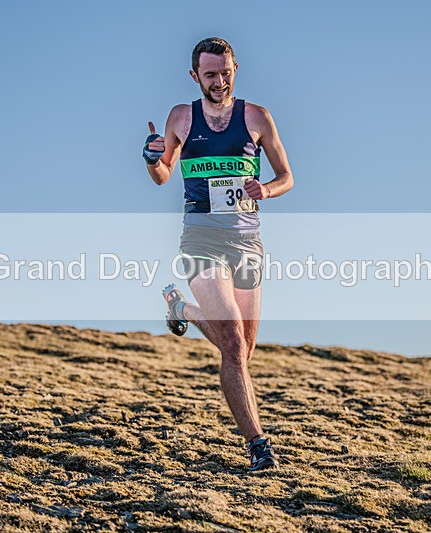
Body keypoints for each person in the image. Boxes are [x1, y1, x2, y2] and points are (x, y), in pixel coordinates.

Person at [142, 37, 293, 472]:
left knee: (244, 350)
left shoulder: (257, 117)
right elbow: (162, 174)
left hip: (247, 241)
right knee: (230, 342)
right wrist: (152, 159)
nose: (220, 81)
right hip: (201, 240)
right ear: (195, 76)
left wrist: (265, 188)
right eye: (210, 74)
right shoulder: (181, 118)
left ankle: (182, 308)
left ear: (235, 68)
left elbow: (286, 176)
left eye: (225, 72)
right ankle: (258, 444)